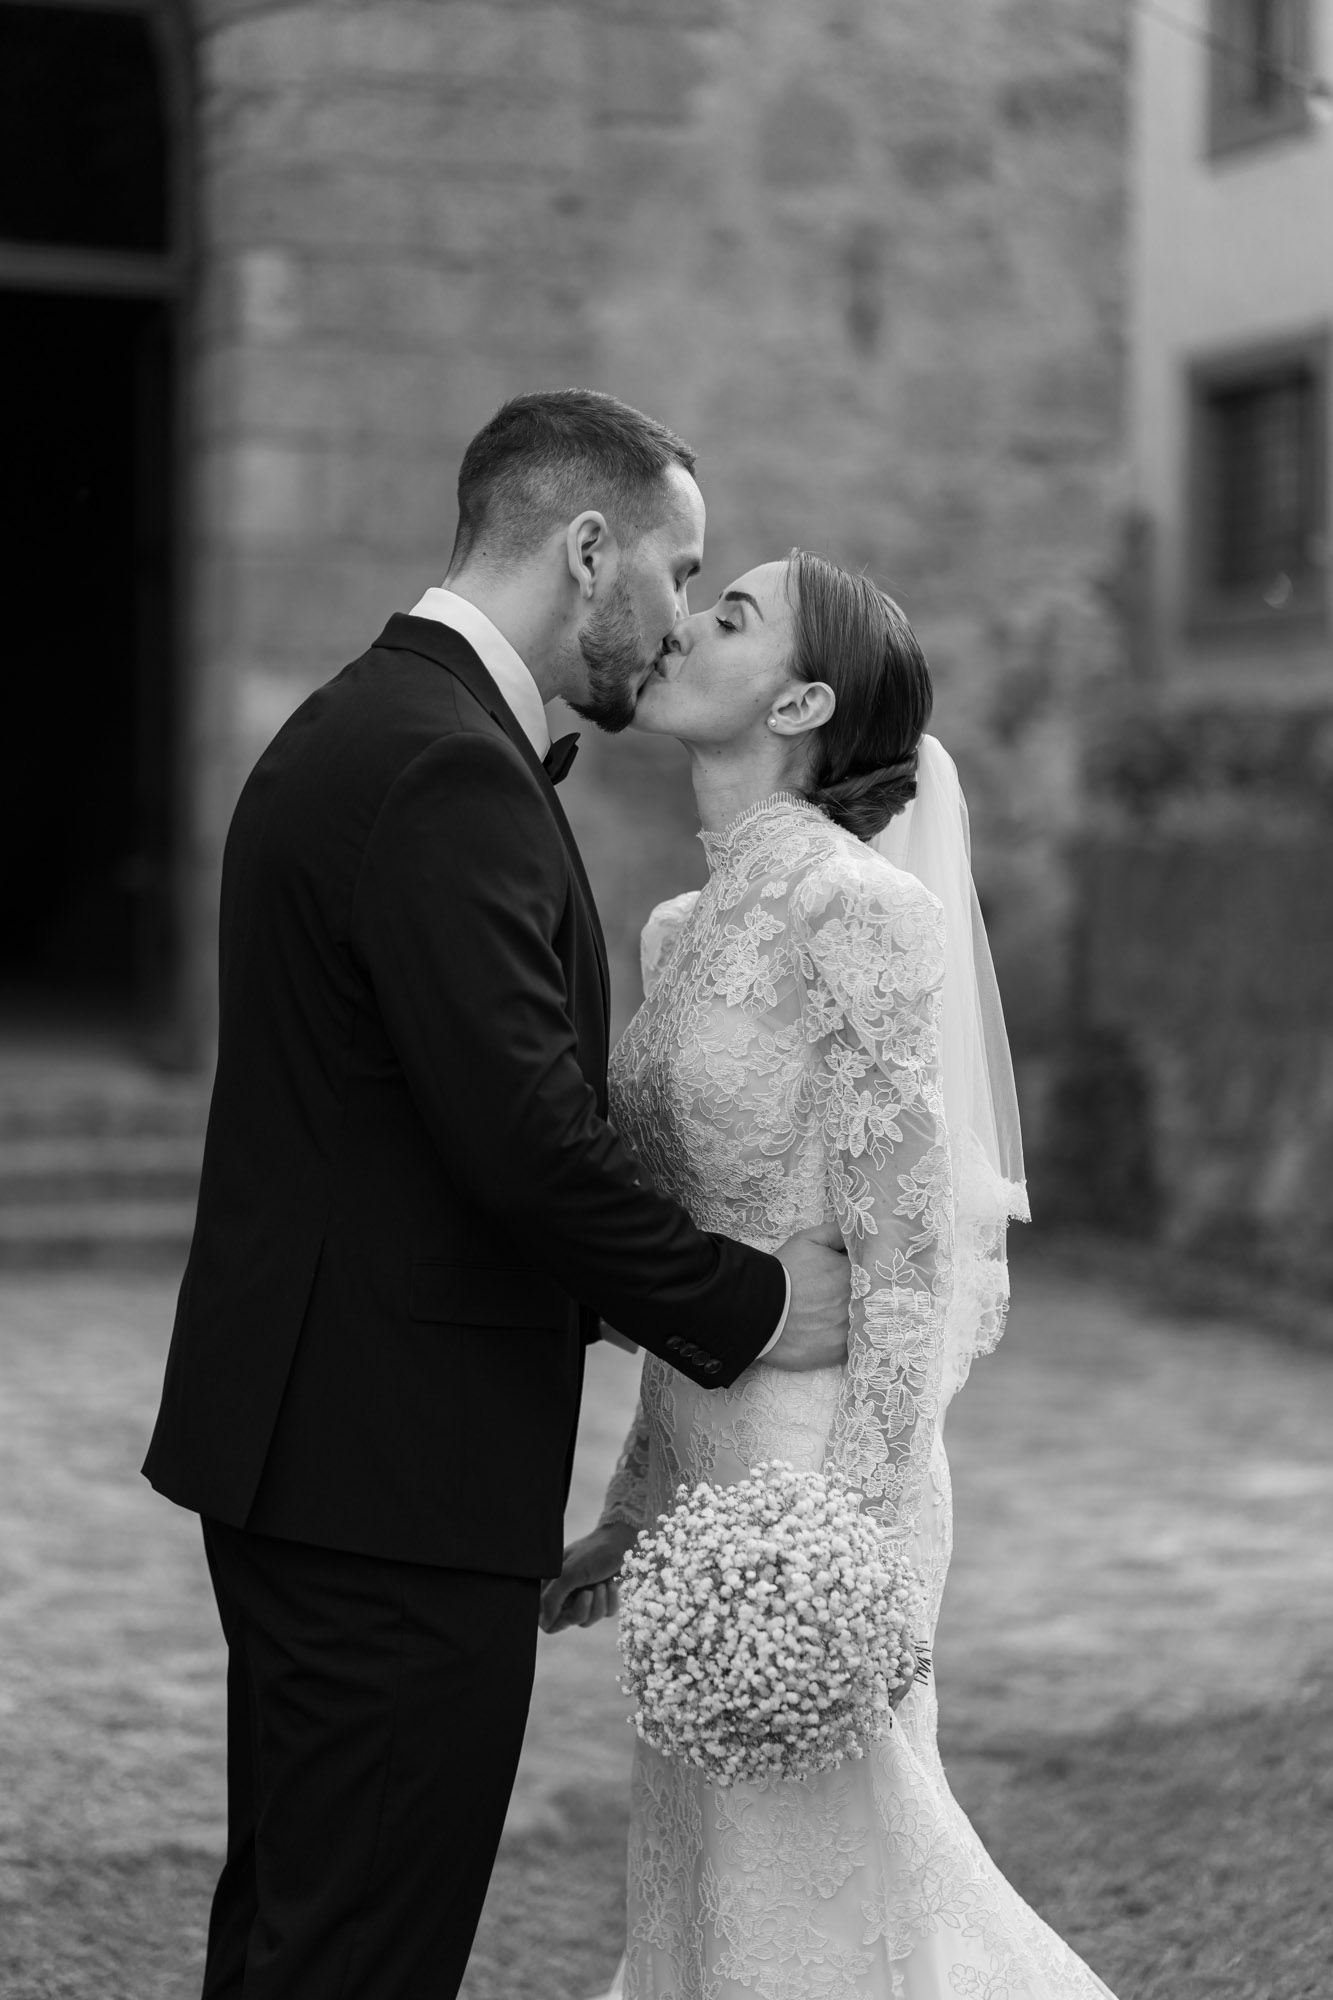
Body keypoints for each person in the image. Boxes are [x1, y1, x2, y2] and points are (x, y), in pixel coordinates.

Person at [142, 392, 855, 2000]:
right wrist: (745, 1303)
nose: (676, 615)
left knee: (300, 1926)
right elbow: (521, 1137)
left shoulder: (377, 726)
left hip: (322, 1454)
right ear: (584, 548)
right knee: (360, 1952)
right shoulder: (441, 770)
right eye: (675, 570)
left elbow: (412, 1123)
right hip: (386, 1474)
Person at [542, 551, 1119, 1998]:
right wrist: (633, 1515)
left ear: (800, 697)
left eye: (728, 615)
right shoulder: (679, 929)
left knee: (834, 1890)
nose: (681, 625)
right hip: (706, 1492)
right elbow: (698, 1252)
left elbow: (908, 1257)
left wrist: (839, 1556)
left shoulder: (860, 911)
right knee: (706, 1890)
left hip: (820, 1494)